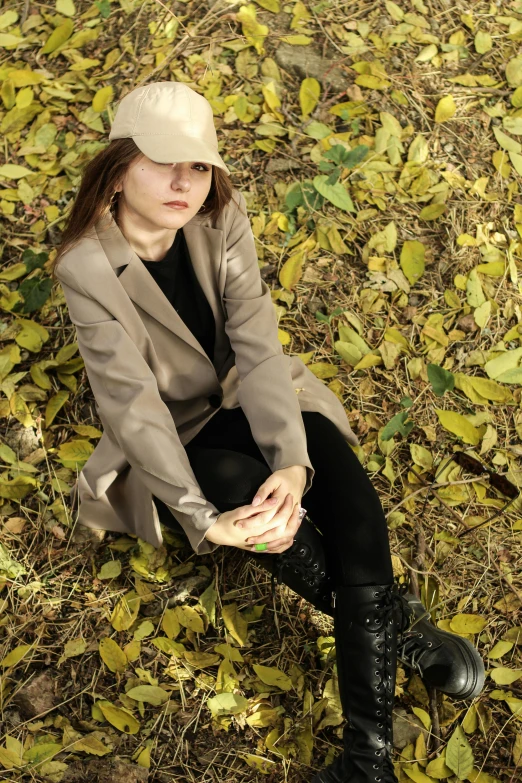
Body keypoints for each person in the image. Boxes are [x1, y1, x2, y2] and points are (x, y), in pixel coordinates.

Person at [52, 81, 485, 783]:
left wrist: (292, 461)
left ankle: (365, 761)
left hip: (257, 394)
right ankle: (399, 636)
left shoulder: (221, 217)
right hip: (180, 431)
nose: (183, 183)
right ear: (120, 163)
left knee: (349, 502)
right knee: (233, 490)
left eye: (197, 165)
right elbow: (133, 407)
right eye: (163, 163)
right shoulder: (87, 266)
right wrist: (202, 521)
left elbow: (256, 344)